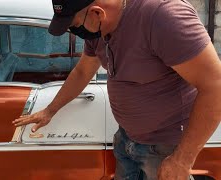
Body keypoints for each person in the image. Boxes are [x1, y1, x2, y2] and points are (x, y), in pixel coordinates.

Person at [12, 0, 221, 179]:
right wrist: (50, 110)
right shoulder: (97, 28)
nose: (76, 33)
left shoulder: (162, 17)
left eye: (75, 26)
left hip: (165, 147)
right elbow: (83, 71)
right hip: (126, 139)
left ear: (96, 12)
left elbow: (215, 86)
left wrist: (182, 160)